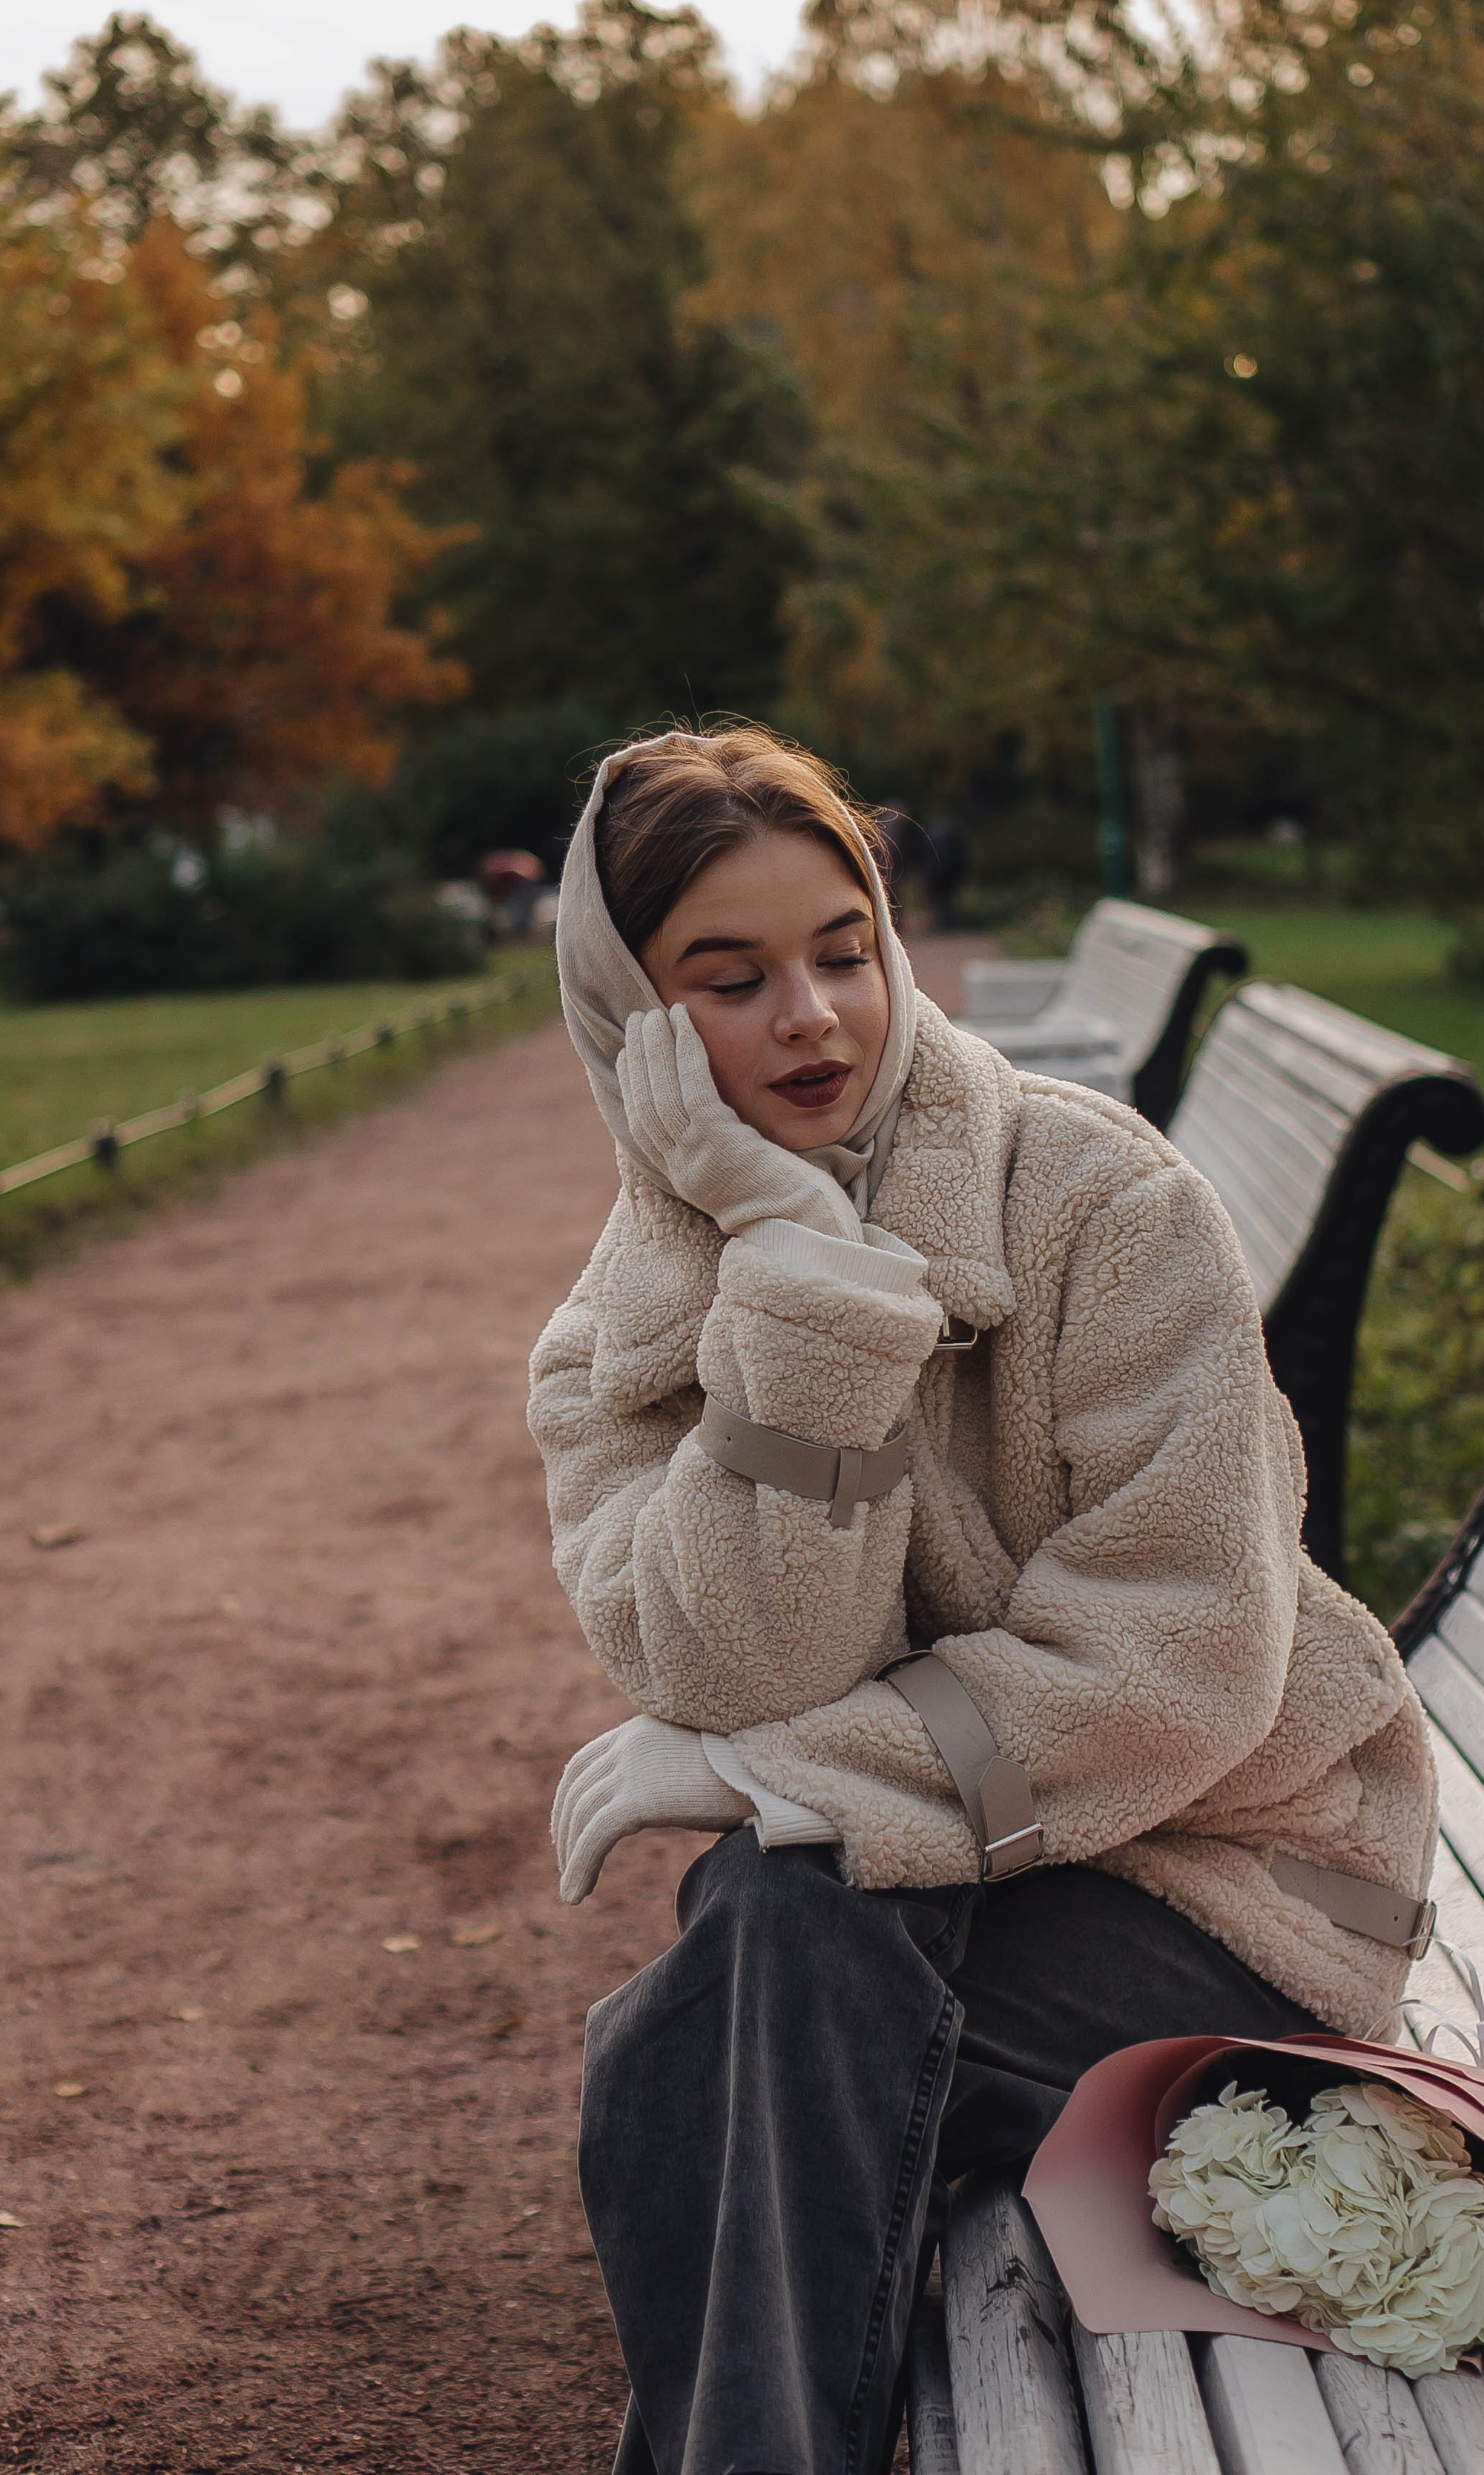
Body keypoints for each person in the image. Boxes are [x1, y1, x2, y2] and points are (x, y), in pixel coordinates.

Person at [530, 724, 1437, 2475]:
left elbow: (1175, 1669)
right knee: (758, 1973)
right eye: (729, 979)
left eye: (844, 948)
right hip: (950, 1904)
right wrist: (801, 1282)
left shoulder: (1102, 1203)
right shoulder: (622, 1337)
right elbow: (744, 1657)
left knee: (736, 1986)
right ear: (622, 1027)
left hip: (1249, 1878)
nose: (812, 1016)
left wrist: (777, 1780)